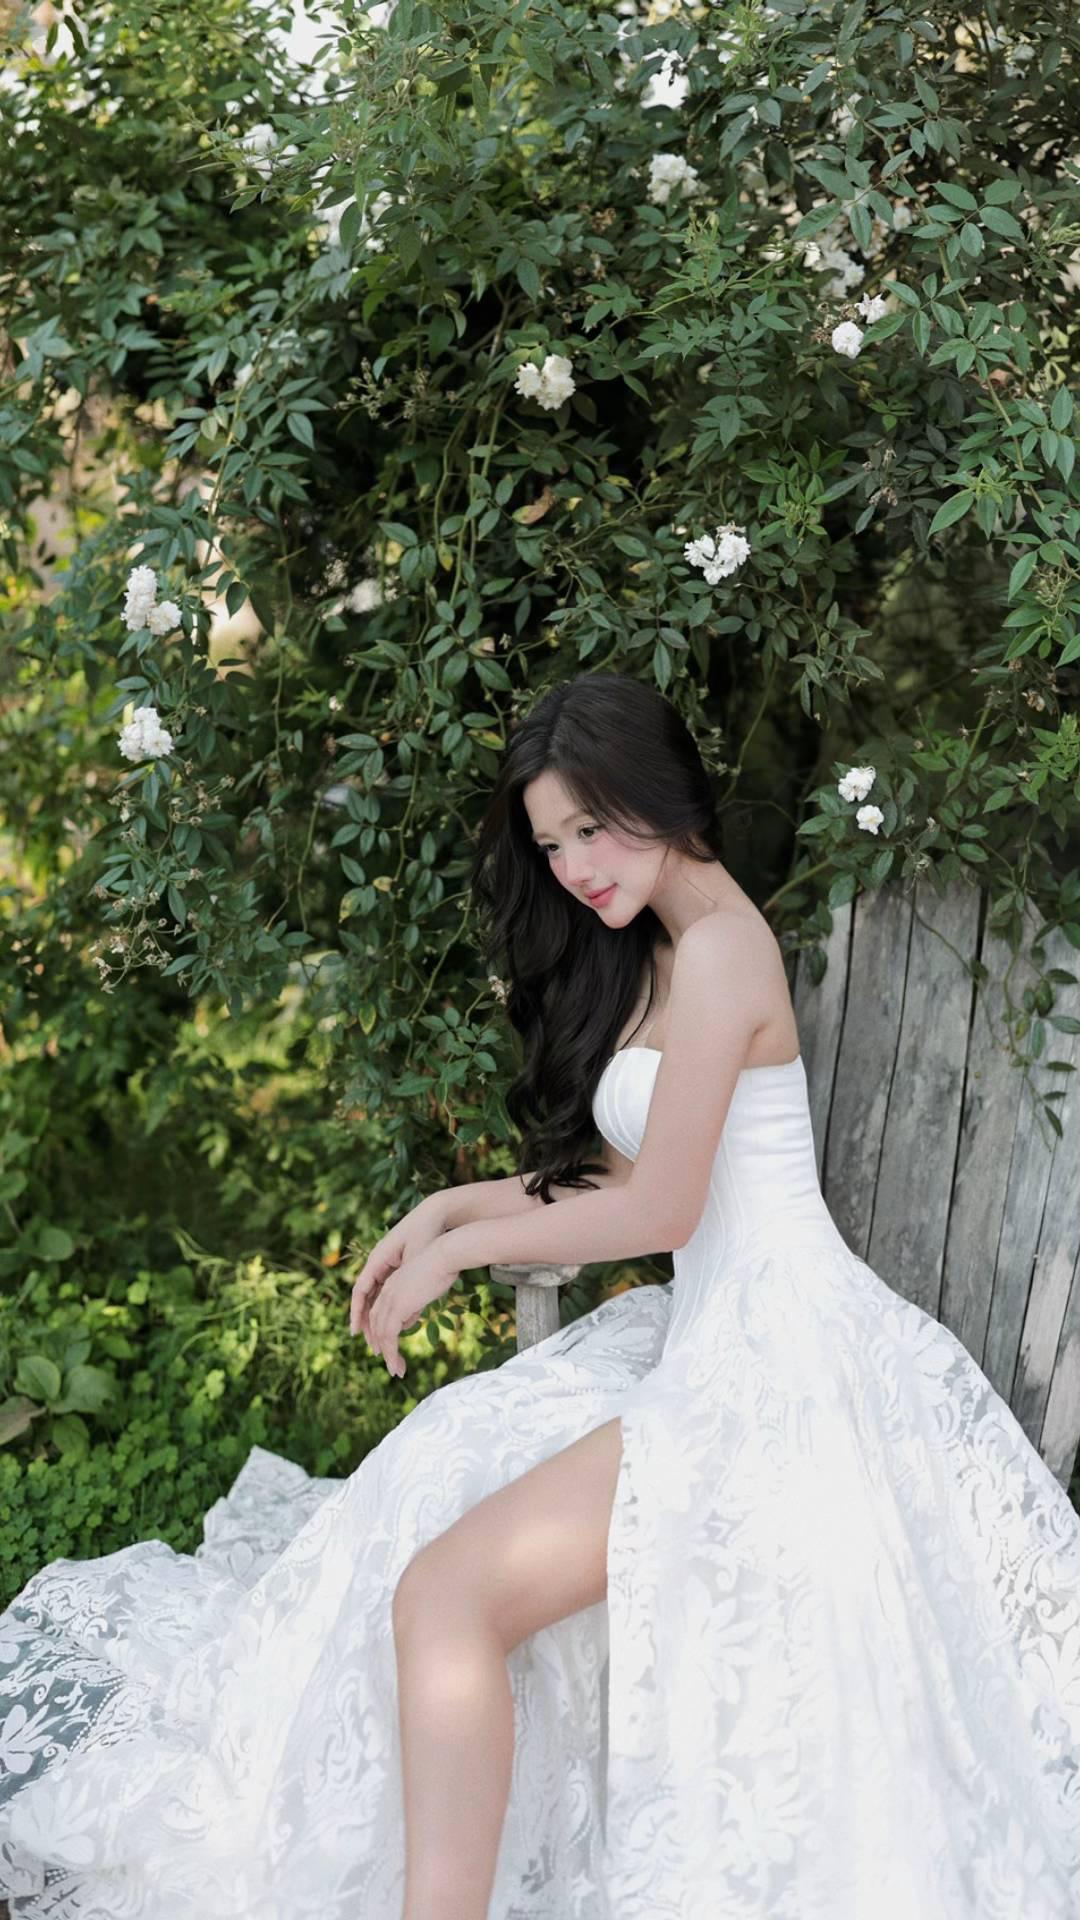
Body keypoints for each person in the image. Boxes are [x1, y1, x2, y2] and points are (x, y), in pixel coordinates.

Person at [1, 670, 1078, 1920]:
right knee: (436, 1493)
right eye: (552, 843)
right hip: (715, 1340)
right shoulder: (664, 948)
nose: (573, 868)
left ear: (661, 794)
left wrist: (461, 1258)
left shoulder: (724, 950)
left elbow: (662, 1213)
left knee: (447, 1592)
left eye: (591, 829)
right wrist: (450, 1211)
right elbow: (620, 1176)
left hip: (781, 1364)